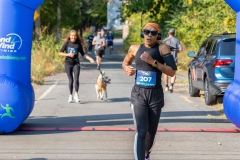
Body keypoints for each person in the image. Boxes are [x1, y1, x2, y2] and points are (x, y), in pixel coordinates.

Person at [122, 22, 177, 160]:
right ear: (143, 33)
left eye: (153, 33)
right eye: (147, 32)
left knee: (150, 133)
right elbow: (125, 62)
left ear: (158, 35)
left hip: (155, 95)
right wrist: (126, 68)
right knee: (141, 132)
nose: (149, 35)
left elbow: (172, 72)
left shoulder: (162, 48)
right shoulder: (135, 48)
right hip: (139, 94)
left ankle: (146, 154)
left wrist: (153, 62)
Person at [59, 30, 95, 103]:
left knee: (76, 79)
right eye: (72, 35)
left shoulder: (78, 44)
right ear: (69, 36)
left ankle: (76, 95)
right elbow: (60, 53)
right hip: (68, 64)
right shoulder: (67, 43)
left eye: (75, 36)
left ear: (76, 36)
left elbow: (83, 54)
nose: (73, 37)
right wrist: (68, 55)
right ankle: (70, 96)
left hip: (76, 63)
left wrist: (90, 59)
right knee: (71, 80)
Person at [163, 28, 182, 93]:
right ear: (174, 33)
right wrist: (176, 51)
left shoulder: (165, 40)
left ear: (168, 33)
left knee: (166, 73)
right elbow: (180, 49)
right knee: (173, 73)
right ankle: (171, 86)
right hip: (174, 59)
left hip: (166, 59)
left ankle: (166, 87)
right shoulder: (177, 40)